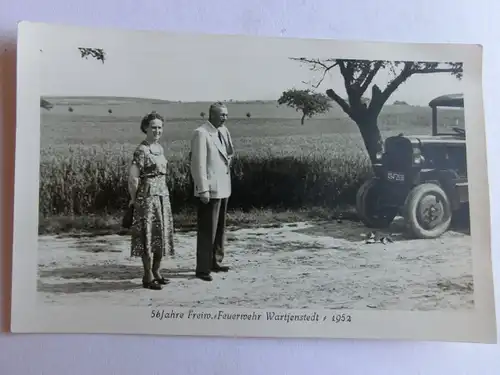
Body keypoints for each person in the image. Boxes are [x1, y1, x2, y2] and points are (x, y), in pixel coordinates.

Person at [128, 111, 175, 290]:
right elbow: (133, 178)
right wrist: (133, 200)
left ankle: (157, 272)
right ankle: (147, 276)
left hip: (163, 197)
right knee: (147, 236)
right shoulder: (141, 150)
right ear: (145, 128)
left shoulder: (159, 148)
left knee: (160, 235)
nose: (157, 130)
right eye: (153, 127)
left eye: (160, 127)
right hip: (147, 198)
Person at [189, 102, 234, 282]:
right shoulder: (201, 133)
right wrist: (203, 189)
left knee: (220, 228)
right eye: (222, 115)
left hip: (224, 187)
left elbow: (229, 152)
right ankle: (202, 268)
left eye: (226, 114)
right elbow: (197, 164)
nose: (225, 118)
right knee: (208, 230)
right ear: (211, 115)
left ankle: (215, 261)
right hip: (210, 189)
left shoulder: (224, 131)